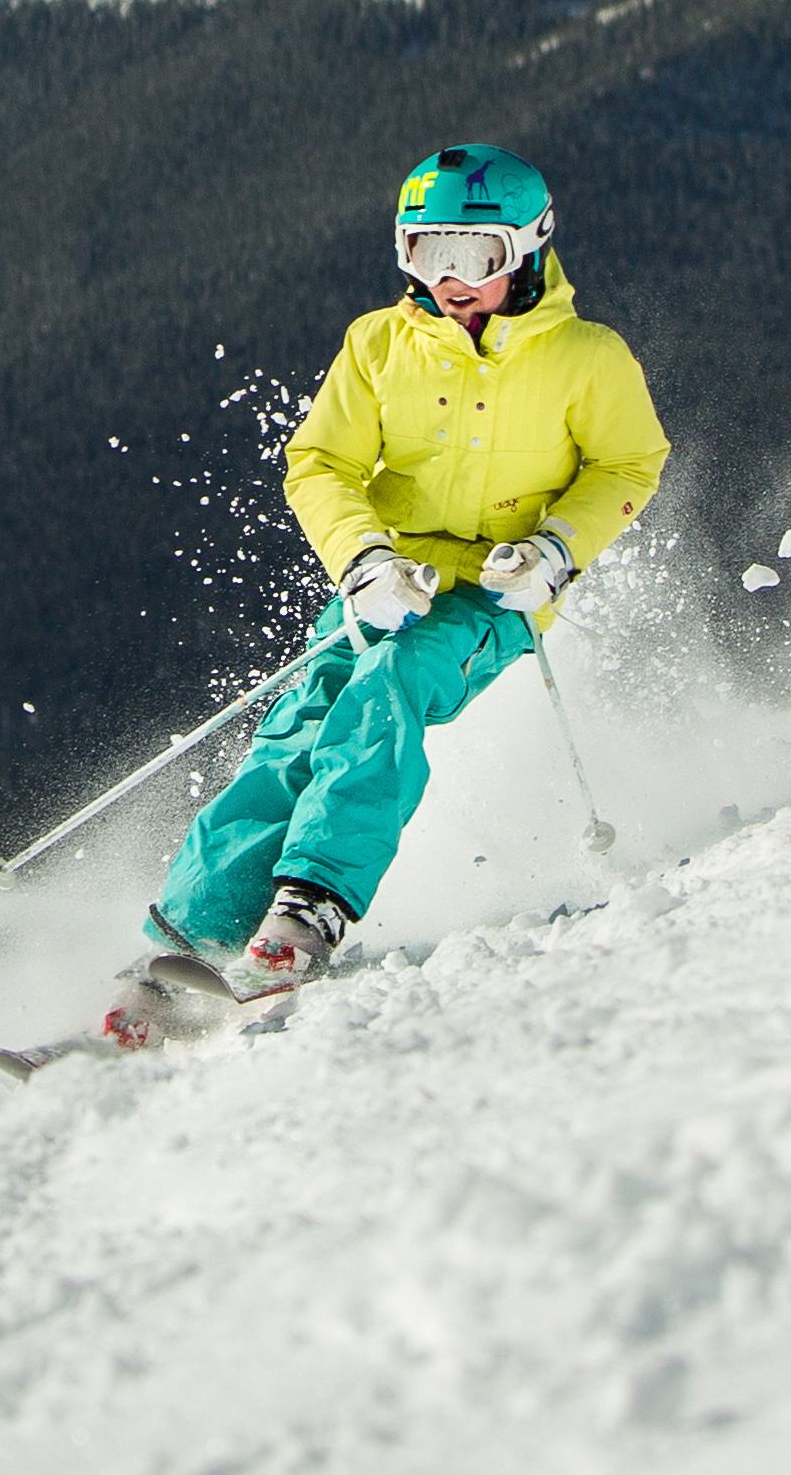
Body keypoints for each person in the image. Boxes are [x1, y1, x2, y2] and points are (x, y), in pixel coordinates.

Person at [108, 142, 668, 1044]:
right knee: (294, 733)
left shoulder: (587, 359)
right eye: (425, 252)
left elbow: (630, 460)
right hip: (388, 581)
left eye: (474, 257)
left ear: (528, 246)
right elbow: (319, 461)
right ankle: (180, 950)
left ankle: (310, 906)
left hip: (494, 595)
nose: (450, 279)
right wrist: (363, 559)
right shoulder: (380, 344)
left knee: (390, 686)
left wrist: (555, 550)